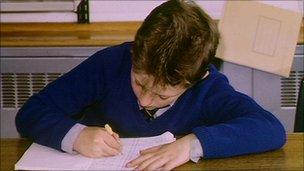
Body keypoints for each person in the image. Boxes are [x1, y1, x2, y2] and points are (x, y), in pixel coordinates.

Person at [15, 0, 286, 170]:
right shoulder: (110, 64)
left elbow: (270, 129)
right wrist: (76, 136)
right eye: (140, 82)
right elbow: (31, 113)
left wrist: (192, 144)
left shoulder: (208, 88)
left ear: (196, 80)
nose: (144, 101)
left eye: (161, 95)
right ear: (135, 53)